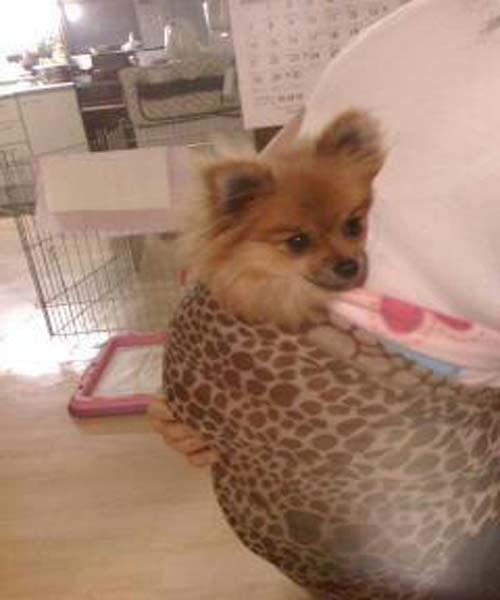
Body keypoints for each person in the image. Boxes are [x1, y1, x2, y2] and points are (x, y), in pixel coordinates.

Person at [150, 0, 500, 464]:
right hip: (358, 419)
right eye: (299, 243)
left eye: (354, 227)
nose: (345, 255)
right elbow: (290, 153)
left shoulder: (399, 31)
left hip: (423, 409)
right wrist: (200, 378)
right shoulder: (406, 31)